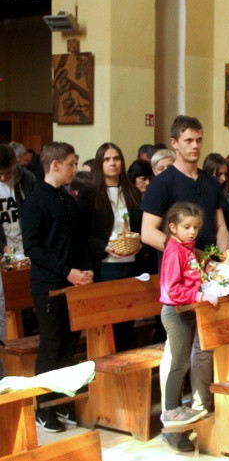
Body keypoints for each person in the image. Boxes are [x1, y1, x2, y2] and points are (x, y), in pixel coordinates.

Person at [140, 115, 229, 452]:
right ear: (174, 143)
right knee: (177, 357)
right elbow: (147, 232)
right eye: (188, 140)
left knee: (204, 353)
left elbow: (220, 227)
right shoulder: (163, 182)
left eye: (199, 140)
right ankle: (172, 424)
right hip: (180, 282)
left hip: (208, 281)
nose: (195, 146)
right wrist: (184, 252)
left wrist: (225, 261)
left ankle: (201, 414)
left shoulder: (209, 181)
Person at [21, 141, 94, 433]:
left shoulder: (67, 199)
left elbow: (76, 240)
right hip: (48, 285)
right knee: (51, 345)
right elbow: (33, 248)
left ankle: (62, 401)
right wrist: (67, 272)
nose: (74, 169)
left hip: (72, 282)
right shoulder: (35, 200)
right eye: (71, 164)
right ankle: (42, 407)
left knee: (69, 344)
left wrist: (85, 269)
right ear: (55, 165)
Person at [76, 142, 142, 352]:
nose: (112, 163)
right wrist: (104, 246)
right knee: (109, 322)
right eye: (107, 159)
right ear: (100, 164)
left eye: (116, 158)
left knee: (127, 320)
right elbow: (81, 231)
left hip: (131, 263)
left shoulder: (132, 191)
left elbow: (139, 225)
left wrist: (139, 242)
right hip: (107, 265)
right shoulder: (90, 192)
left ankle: (124, 363)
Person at [159, 202, 218, 427]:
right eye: (187, 227)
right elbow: (172, 289)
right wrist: (200, 295)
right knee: (179, 363)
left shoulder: (187, 249)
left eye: (196, 227)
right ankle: (171, 410)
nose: (192, 231)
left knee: (183, 361)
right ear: (173, 227)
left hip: (186, 311)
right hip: (176, 312)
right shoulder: (174, 251)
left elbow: (191, 276)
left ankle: (177, 407)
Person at [0, 145, 36, 255]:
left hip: (26, 245)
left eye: (8, 172)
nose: (3, 178)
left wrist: (31, 243)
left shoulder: (27, 178)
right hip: (4, 247)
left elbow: (36, 214)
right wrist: (2, 246)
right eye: (0, 173)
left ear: (15, 163)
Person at [202, 153, 229, 230]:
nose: (224, 178)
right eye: (219, 174)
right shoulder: (203, 195)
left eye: (225, 174)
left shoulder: (227, 195)